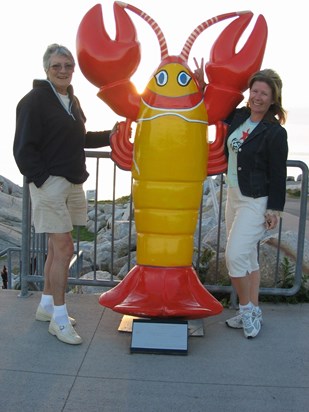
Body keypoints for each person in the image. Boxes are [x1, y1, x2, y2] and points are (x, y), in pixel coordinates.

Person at [13, 44, 117, 345]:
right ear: (47, 68)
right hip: (50, 185)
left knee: (55, 250)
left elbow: (79, 138)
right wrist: (42, 180)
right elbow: (23, 148)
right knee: (66, 248)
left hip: (72, 183)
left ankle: (46, 306)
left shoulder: (71, 100)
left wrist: (111, 136)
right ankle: (59, 318)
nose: (63, 70)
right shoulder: (33, 101)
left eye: (68, 66)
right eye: (57, 65)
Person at [223, 69, 288, 338]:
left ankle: (247, 309)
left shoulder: (274, 132)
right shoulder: (239, 117)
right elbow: (217, 108)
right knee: (248, 256)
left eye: (264, 93)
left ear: (273, 99)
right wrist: (203, 84)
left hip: (255, 200)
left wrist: (274, 209)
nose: (257, 97)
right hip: (233, 196)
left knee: (234, 254)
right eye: (254, 91)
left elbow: (278, 173)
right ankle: (254, 310)